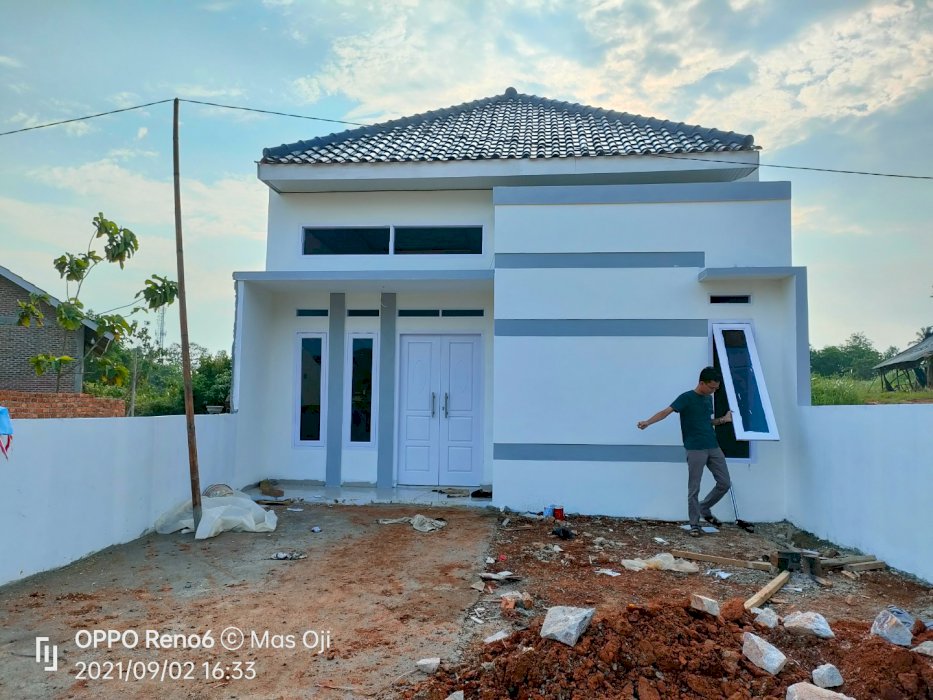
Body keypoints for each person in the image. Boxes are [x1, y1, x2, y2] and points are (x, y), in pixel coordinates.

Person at [637, 367, 733, 537]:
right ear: (701, 383)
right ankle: (694, 524)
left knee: (724, 483)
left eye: (716, 388)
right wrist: (648, 422)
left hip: (713, 445)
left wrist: (723, 420)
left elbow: (705, 422)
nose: (713, 391)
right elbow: (665, 412)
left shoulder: (707, 399)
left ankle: (704, 507)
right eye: (711, 387)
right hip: (695, 448)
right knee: (694, 488)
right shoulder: (686, 398)